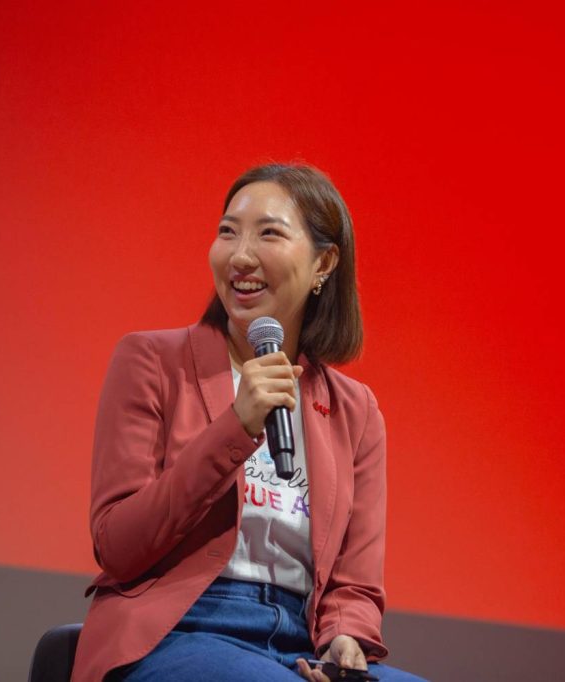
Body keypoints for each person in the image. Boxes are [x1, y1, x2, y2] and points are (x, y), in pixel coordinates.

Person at [71, 164, 424, 682]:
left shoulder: (356, 411)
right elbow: (117, 546)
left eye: (269, 234)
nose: (239, 256)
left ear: (324, 262)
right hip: (179, 631)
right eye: (228, 231)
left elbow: (354, 584)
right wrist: (235, 428)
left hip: (301, 643)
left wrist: (346, 636)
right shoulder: (152, 361)